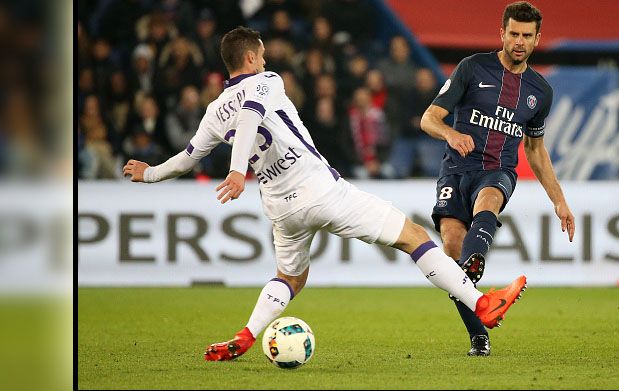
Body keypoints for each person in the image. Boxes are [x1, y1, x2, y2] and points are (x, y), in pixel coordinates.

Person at [122, 27, 527, 361]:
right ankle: (481, 305)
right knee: (415, 237)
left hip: (281, 208)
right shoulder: (266, 82)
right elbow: (250, 116)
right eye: (261, 55)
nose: (265, 61)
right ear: (249, 59)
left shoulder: (213, 111)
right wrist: (235, 169)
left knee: (290, 278)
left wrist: (150, 173)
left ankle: (246, 335)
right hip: (319, 189)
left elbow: (188, 157)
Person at [420, 1, 575, 357]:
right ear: (502, 33)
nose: (519, 41)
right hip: (456, 170)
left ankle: (476, 263)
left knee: (489, 200)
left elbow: (535, 150)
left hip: (497, 170)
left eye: (527, 35)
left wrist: (559, 200)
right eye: (514, 34)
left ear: (537, 39)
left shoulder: (540, 92)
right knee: (452, 249)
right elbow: (429, 118)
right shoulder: (473, 68)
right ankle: (479, 332)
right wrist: (450, 134)